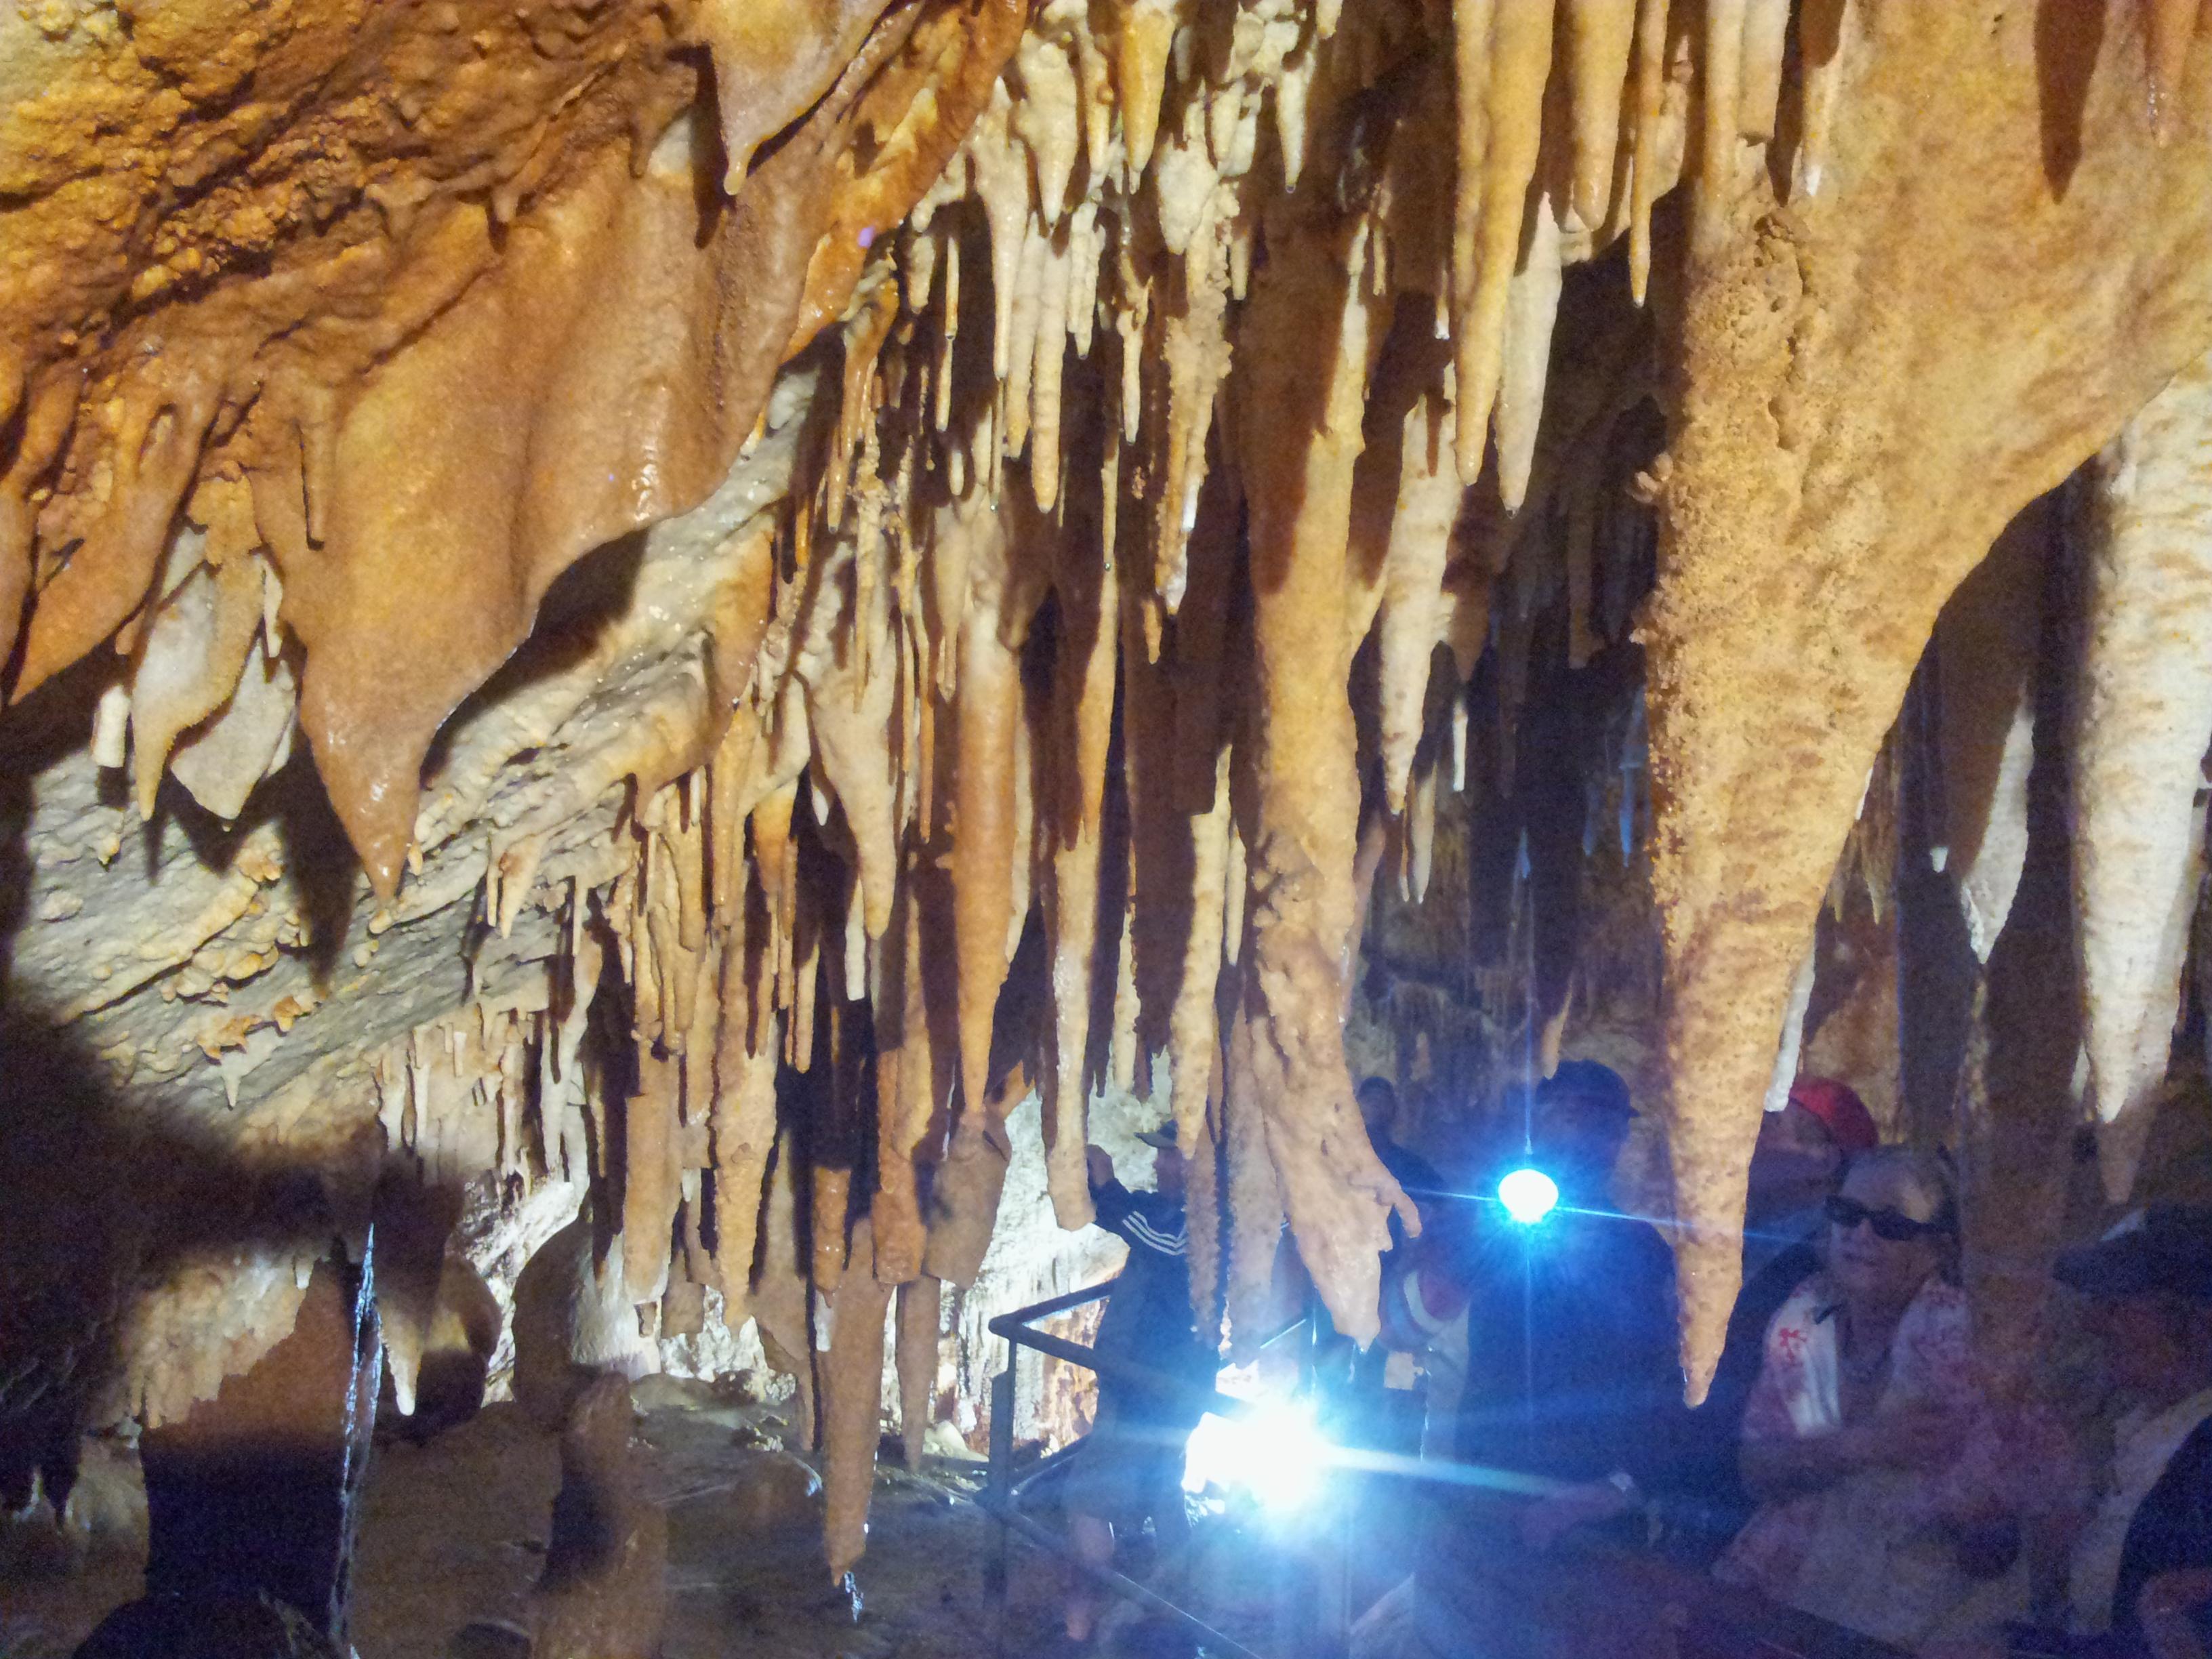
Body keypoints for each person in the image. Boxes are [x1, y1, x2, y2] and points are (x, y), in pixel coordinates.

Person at [1361, 1061, 1683, 1657]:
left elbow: (1668, 1388)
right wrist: (1477, 1245)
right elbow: (1399, 1329)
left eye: (1607, 1126)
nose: (1591, 1139)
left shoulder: (1641, 1251)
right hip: (1475, 1510)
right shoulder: (1483, 1224)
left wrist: (1615, 1489)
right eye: (1574, 1117)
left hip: (1589, 1528)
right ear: (1540, 1123)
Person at [1715, 1145, 2014, 1646]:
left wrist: (1971, 1509)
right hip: (1784, 1588)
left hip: (1914, 1621)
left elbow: (1999, 1544)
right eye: (1847, 1214)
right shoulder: (1805, 1313)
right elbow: (1755, 1471)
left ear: (1939, 1247)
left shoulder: (1972, 1343)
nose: (1861, 1235)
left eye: (1891, 1225)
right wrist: (1862, 1447)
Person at [1976, 1205, 2212, 1658]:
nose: (2092, 1321)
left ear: (2199, 1321)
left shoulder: (2201, 1468)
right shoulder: (2137, 1426)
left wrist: (2012, 1650)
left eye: (2120, 1304)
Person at [1057, 1127, 1216, 1650]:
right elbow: (1130, 1217)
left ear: (1199, 1166)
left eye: (1172, 1157)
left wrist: (1110, 1185)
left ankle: (1083, 1627)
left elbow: (1166, 1241)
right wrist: (1093, 1181)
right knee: (1162, 1490)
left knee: (1087, 1498)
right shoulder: (1168, 1208)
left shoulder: (1211, 1220)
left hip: (1151, 1390)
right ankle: (1177, 1616)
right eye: (1162, 1157)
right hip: (1158, 1386)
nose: (1160, 1167)